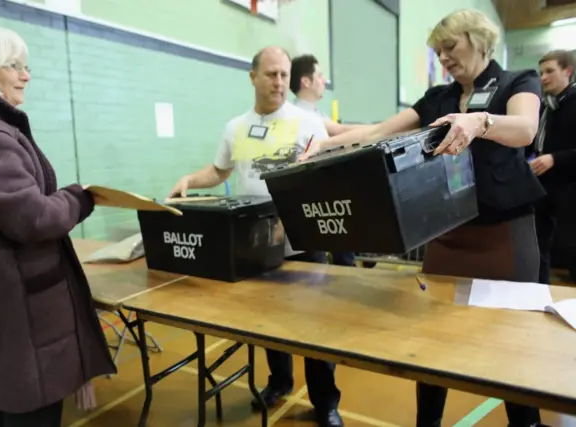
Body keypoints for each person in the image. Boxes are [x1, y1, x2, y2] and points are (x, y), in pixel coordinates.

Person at [300, 9, 546, 427]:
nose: (444, 58)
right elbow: (380, 130)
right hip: (448, 233)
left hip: (505, 235)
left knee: (511, 345)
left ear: (478, 38)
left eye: (450, 47)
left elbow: (524, 128)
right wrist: (325, 145)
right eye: (438, 52)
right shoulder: (439, 97)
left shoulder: (517, 81)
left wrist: (480, 121)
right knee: (431, 341)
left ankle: (526, 422)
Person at [0, 21, 116, 427]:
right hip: (23, 319)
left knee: (7, 410)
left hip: (2, 310)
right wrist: (80, 196)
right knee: (29, 414)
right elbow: (33, 218)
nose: (26, 75)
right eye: (15, 65)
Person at [168, 46, 343, 427]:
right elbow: (219, 171)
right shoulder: (236, 127)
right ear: (253, 77)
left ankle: (325, 401)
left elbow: (324, 178)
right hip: (258, 248)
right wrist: (188, 180)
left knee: (314, 330)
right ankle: (279, 382)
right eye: (270, 74)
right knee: (270, 324)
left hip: (302, 245)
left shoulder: (307, 123)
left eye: (283, 75)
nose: (278, 82)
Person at [290, 54, 357, 267]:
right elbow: (341, 131)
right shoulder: (301, 115)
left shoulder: (316, 113)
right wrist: (387, 129)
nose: (324, 80)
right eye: (319, 75)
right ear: (305, 81)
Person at [527, 50, 576, 284]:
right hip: (543, 185)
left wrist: (554, 158)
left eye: (549, 71)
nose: (543, 77)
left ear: (568, 71)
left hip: (569, 187)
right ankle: (540, 295)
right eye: (541, 73)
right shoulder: (544, 106)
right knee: (539, 246)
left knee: (570, 247)